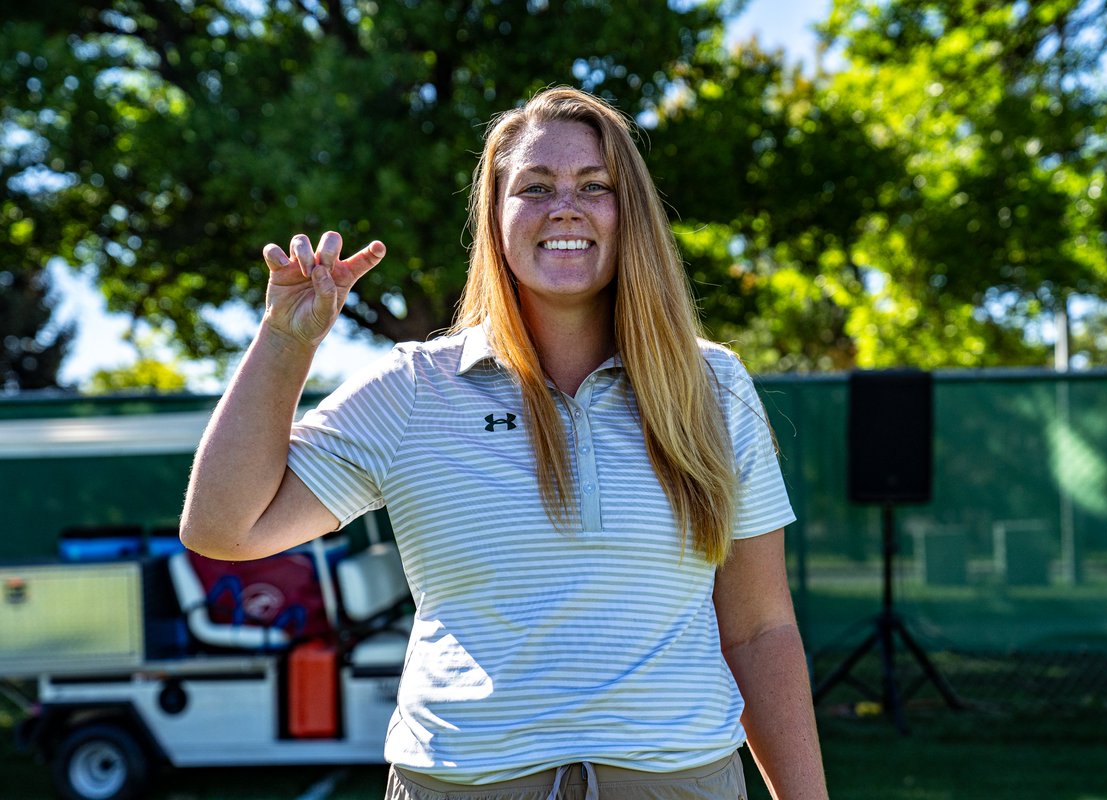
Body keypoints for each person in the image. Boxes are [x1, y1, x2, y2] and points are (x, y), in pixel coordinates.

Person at [181, 86, 828, 800]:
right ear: (495, 218)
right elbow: (222, 528)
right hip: (466, 783)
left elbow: (760, 631)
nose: (565, 207)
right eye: (535, 187)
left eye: (595, 186)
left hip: (680, 783)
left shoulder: (714, 385)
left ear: (631, 214)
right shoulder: (413, 389)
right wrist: (283, 341)